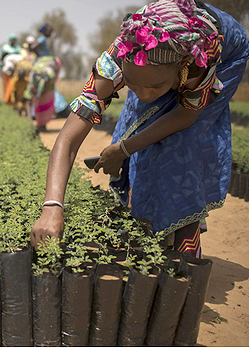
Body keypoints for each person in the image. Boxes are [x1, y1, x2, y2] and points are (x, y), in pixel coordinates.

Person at [31, 0, 249, 259]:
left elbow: (184, 118)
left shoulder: (199, 61)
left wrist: (123, 149)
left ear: (181, 69)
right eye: (132, 85)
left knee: (181, 145)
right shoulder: (115, 61)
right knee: (137, 123)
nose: (144, 95)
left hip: (225, 56)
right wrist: (52, 207)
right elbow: (68, 139)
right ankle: (148, 223)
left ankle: (185, 241)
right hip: (154, 68)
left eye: (154, 88)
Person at [23, 55, 62, 132]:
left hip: (48, 83)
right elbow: (28, 98)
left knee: (44, 102)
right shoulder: (32, 80)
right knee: (40, 102)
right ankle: (40, 124)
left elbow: (53, 78)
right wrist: (29, 118)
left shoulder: (50, 74)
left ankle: (42, 125)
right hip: (44, 79)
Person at [0, 33, 22, 103]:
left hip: (14, 71)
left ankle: (12, 100)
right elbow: (1, 58)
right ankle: (6, 100)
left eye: (14, 40)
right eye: (12, 40)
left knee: (12, 86)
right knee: (6, 86)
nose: (13, 41)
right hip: (6, 70)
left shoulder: (18, 48)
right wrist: (0, 66)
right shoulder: (5, 47)